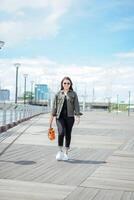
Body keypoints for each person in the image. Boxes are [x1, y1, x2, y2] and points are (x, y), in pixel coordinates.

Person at [49, 76, 81, 161]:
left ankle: (66, 153)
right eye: (65, 83)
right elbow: (54, 107)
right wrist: (51, 120)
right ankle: (60, 152)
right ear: (62, 84)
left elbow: (76, 106)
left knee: (68, 134)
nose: (66, 84)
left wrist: (77, 116)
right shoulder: (58, 94)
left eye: (68, 83)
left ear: (70, 84)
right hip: (60, 117)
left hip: (70, 117)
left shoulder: (73, 94)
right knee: (61, 132)